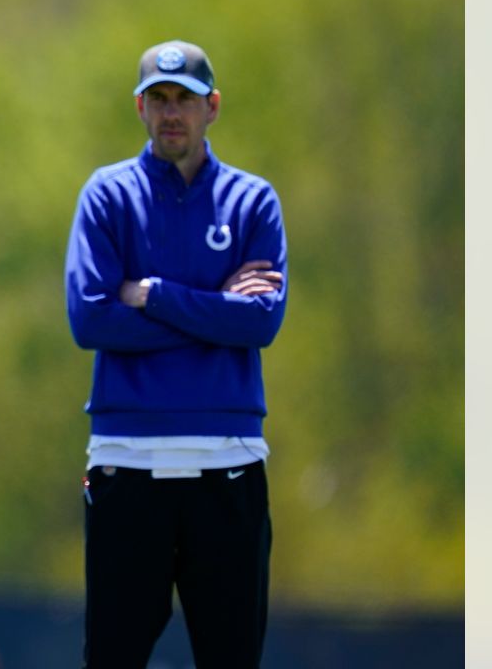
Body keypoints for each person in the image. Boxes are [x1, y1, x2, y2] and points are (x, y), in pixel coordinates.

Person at [64, 39, 288, 668]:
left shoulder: (253, 201)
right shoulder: (108, 196)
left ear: (212, 106)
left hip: (230, 463)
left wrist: (154, 295)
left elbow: (262, 322)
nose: (172, 112)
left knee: (233, 658)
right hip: (126, 462)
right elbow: (91, 320)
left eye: (185, 99)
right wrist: (216, 309)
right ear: (139, 106)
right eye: (158, 98)